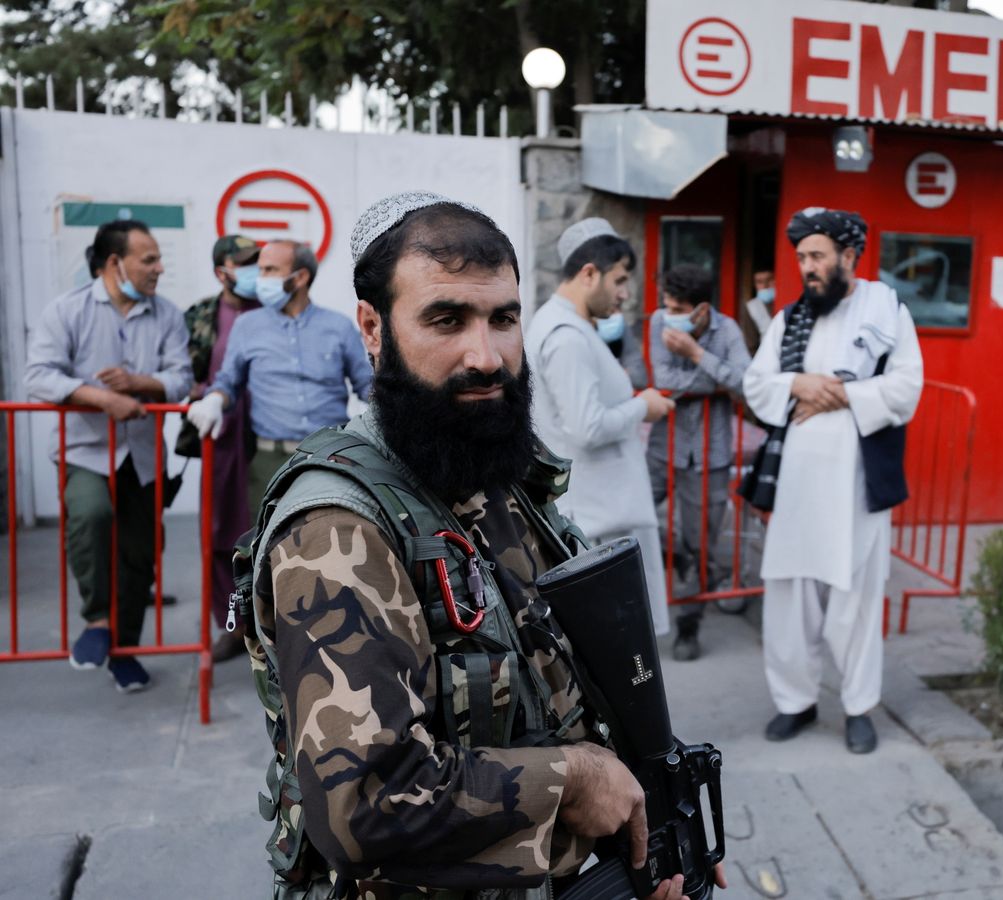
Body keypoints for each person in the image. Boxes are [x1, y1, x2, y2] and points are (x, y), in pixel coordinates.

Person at [245, 191, 723, 899]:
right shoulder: (337, 528)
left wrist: (649, 813)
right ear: (373, 329)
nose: (487, 355)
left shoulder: (493, 471)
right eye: (447, 319)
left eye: (503, 318)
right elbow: (366, 805)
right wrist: (578, 781)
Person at [744, 208, 923, 754]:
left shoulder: (886, 310)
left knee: (857, 600)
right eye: (802, 257)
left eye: (817, 256)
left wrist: (843, 394)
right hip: (797, 487)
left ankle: (858, 706)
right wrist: (803, 382)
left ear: (849, 256)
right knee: (789, 596)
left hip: (857, 489)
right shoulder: (789, 318)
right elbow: (757, 385)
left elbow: (907, 387)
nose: (808, 267)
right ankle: (795, 702)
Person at [24, 219, 192, 693]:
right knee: (92, 515)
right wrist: (102, 398)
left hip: (141, 454)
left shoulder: (167, 316)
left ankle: (125, 651)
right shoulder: (68, 310)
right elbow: (38, 376)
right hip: (85, 451)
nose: (160, 268)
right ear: (115, 263)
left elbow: (181, 378)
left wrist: (139, 384)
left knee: (139, 555)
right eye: (149, 259)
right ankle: (97, 620)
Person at [526, 218, 674, 636]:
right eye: (621, 280)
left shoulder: (570, 329)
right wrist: (642, 406)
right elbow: (587, 427)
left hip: (601, 515)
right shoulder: (566, 336)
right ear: (589, 273)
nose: (626, 294)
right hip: (597, 523)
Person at [185, 240, 373, 513]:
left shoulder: (338, 327)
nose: (261, 280)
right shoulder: (247, 326)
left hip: (332, 456)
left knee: (333, 538)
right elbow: (228, 381)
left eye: (270, 270)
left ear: (300, 277)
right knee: (266, 548)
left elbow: (366, 385)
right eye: (260, 270)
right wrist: (213, 399)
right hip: (269, 461)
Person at [647, 264, 751, 662]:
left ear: (700, 308)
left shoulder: (727, 332)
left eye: (677, 307)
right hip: (662, 447)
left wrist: (696, 354)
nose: (667, 312)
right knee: (628, 515)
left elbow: (747, 384)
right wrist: (716, 382)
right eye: (666, 304)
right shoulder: (659, 321)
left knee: (702, 539)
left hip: (711, 455)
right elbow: (664, 379)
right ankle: (677, 555)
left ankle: (689, 626)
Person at [184, 234, 261, 661]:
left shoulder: (270, 314)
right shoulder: (200, 316)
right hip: (219, 440)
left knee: (262, 531)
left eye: (258, 262)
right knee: (219, 536)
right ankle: (231, 627)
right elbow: (180, 371)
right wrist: (198, 392)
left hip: (262, 437)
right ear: (222, 271)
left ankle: (270, 626)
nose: (253, 270)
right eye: (244, 262)